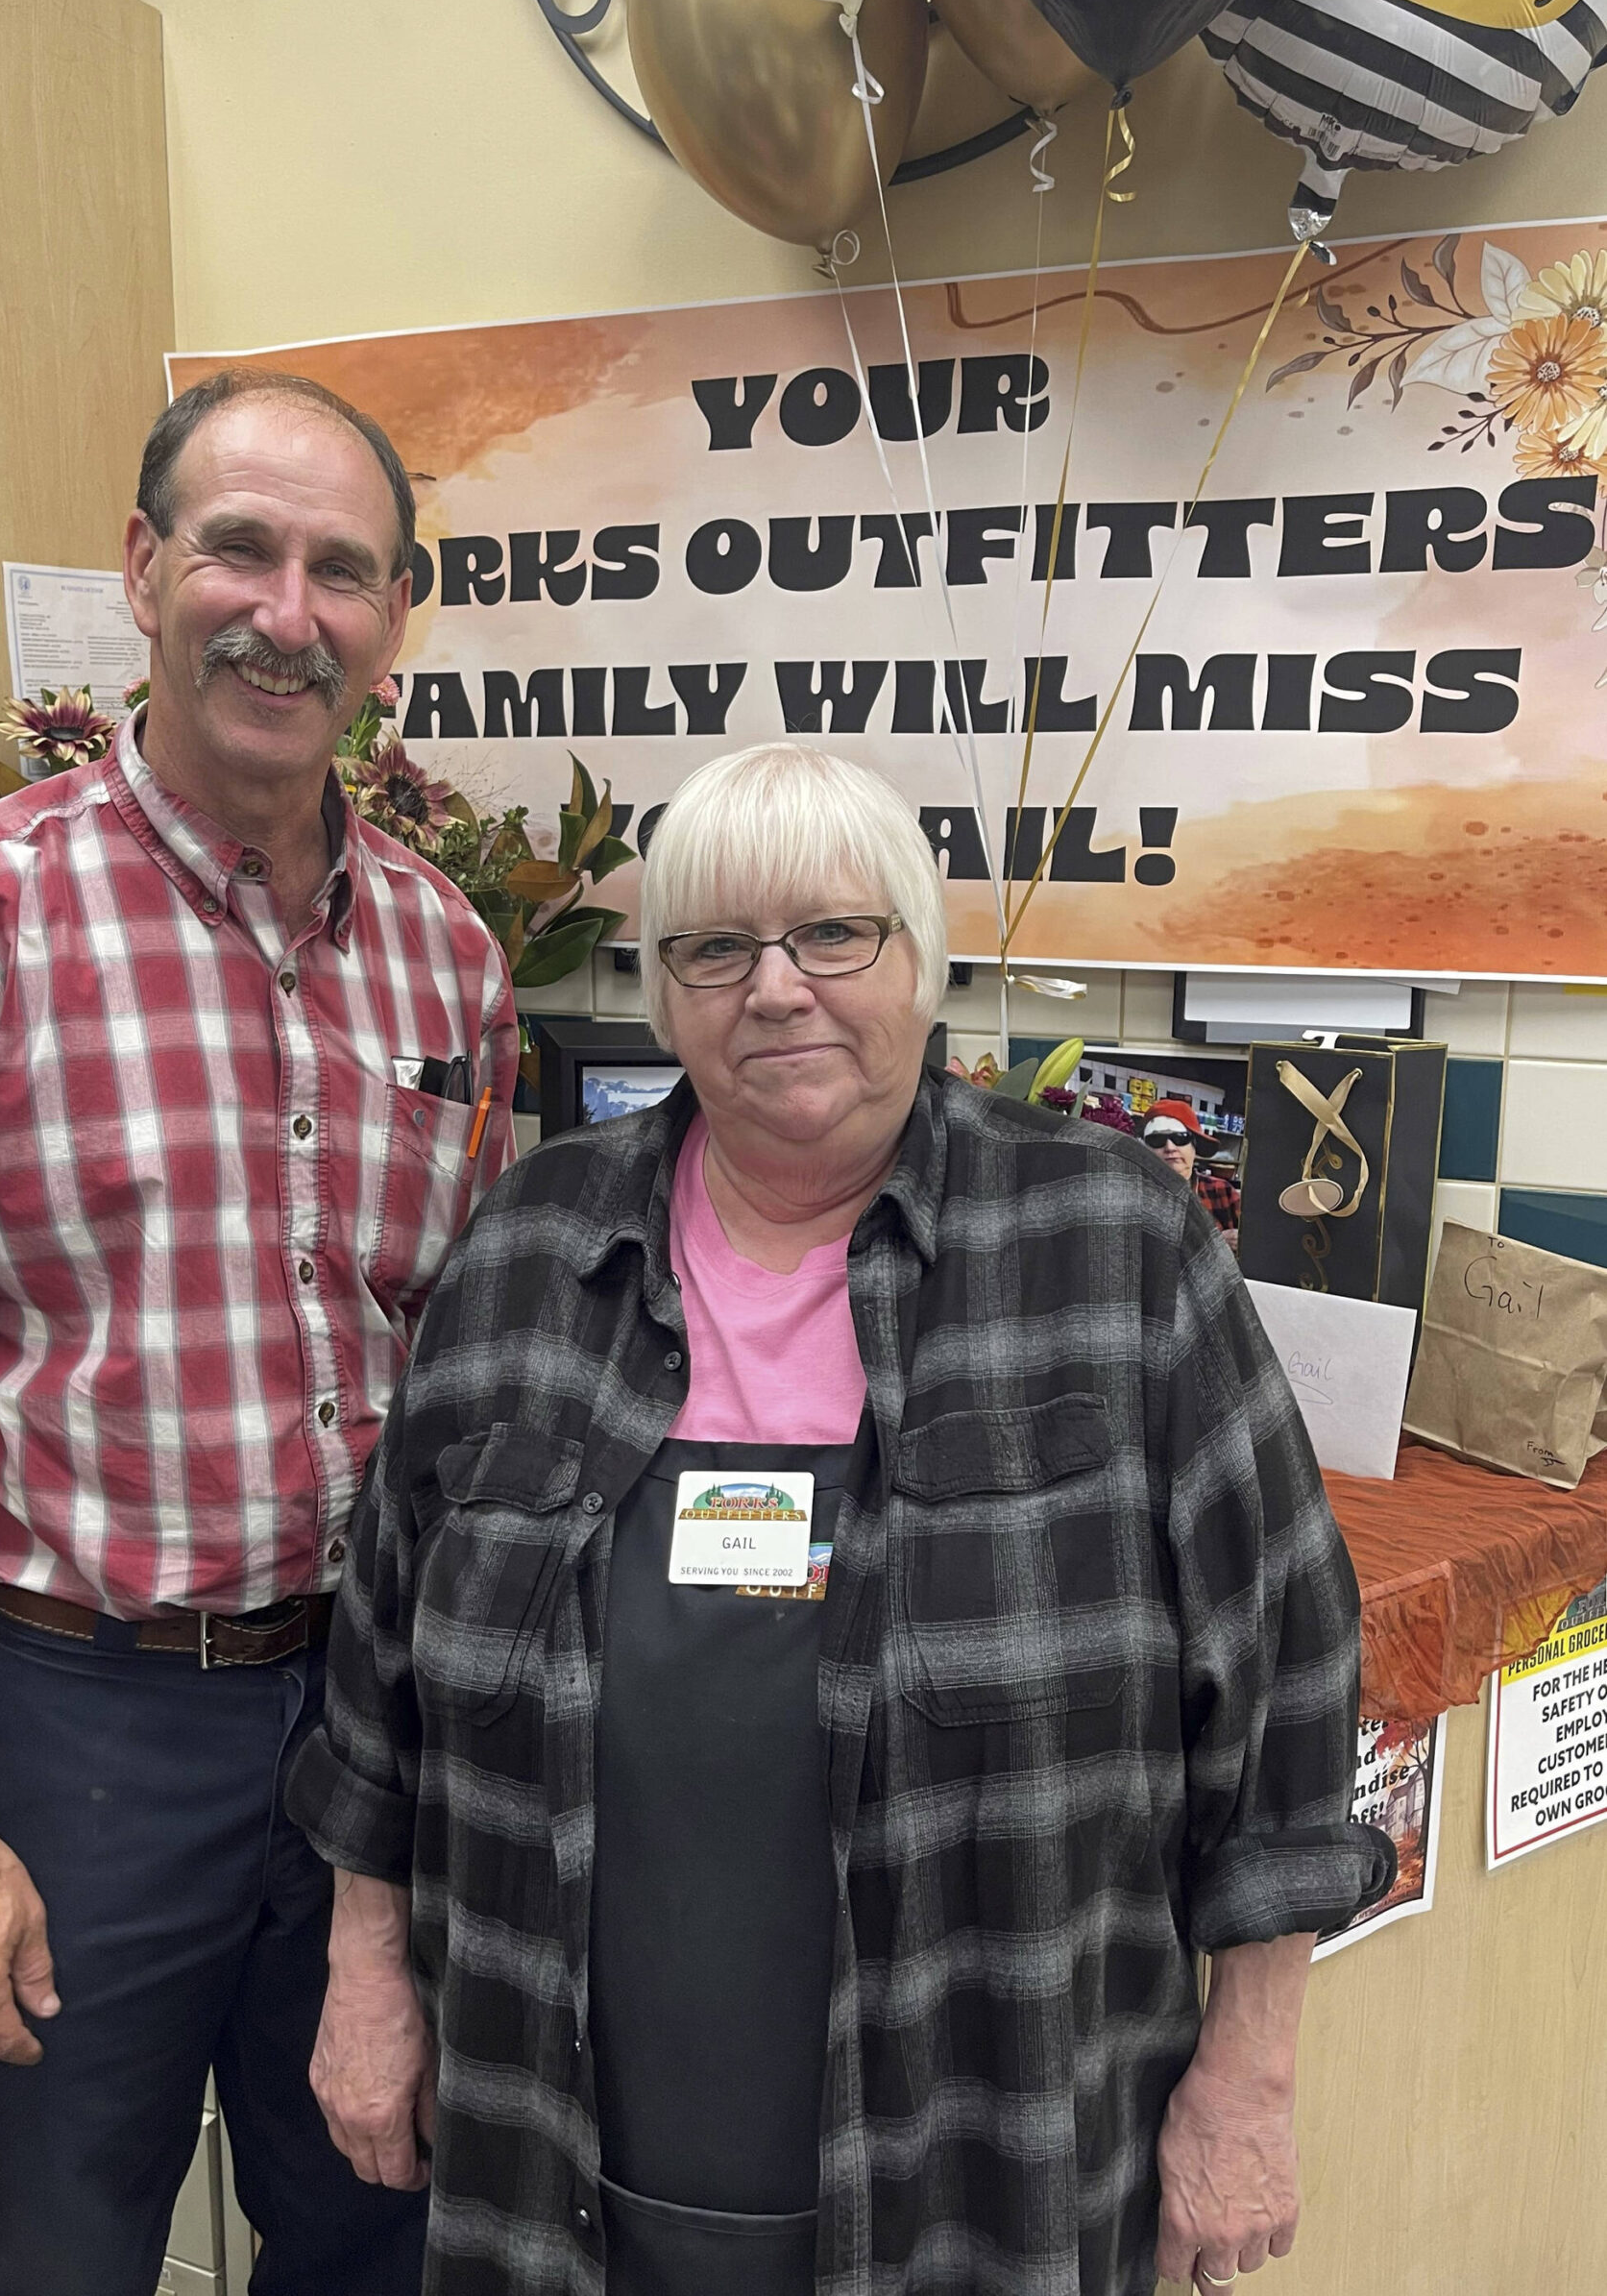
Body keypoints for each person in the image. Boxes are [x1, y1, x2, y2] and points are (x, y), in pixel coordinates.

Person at [290, 742, 1393, 2296]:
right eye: (717, 948)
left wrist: (1250, 2079)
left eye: (834, 935)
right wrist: (365, 1975)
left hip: (986, 2152)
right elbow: (379, 1678)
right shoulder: (533, 1250)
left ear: (920, 963)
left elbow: (1288, 1683)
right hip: (559, 2153)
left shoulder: (1108, 1244)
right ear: (666, 996)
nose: (777, 988)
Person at [0, 367, 517, 2296]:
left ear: (392, 620)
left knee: (373, 2224)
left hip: (374, 1714)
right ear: (144, 564)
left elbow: (479, 1380)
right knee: (70, 2244)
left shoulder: (449, 951)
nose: (288, 606)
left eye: (342, 567)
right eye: (242, 545)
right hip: (81, 1721)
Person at [1142, 1099, 1242, 1237]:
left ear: (1195, 1145)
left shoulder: (1222, 1192)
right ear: (1145, 1149)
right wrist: (1217, 1243)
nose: (1170, 1148)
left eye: (1180, 1138)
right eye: (1157, 1140)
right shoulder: (1135, 1197)